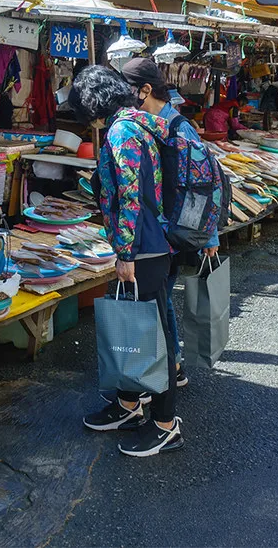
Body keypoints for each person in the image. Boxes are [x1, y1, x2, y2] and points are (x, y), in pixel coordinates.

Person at [70, 65, 183, 457]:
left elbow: (132, 195)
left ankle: (165, 424)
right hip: (151, 243)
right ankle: (129, 403)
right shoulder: (142, 125)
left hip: (144, 248)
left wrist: (125, 253)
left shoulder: (122, 131)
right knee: (138, 330)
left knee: (153, 337)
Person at [121, 58, 219, 391]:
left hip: (174, 232)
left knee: (160, 298)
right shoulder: (145, 122)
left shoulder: (178, 128)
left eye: (129, 89)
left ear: (145, 90)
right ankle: (170, 363)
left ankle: (171, 367)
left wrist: (208, 236)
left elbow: (203, 184)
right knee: (160, 298)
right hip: (159, 229)